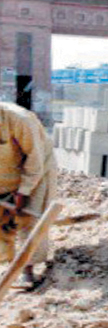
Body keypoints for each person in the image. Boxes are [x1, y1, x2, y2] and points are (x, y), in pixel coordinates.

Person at [0, 102, 57, 288]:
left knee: (28, 216)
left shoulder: (19, 119)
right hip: (5, 170)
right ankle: (7, 264)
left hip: (37, 167)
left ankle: (27, 271)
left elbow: (35, 160)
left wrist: (23, 192)